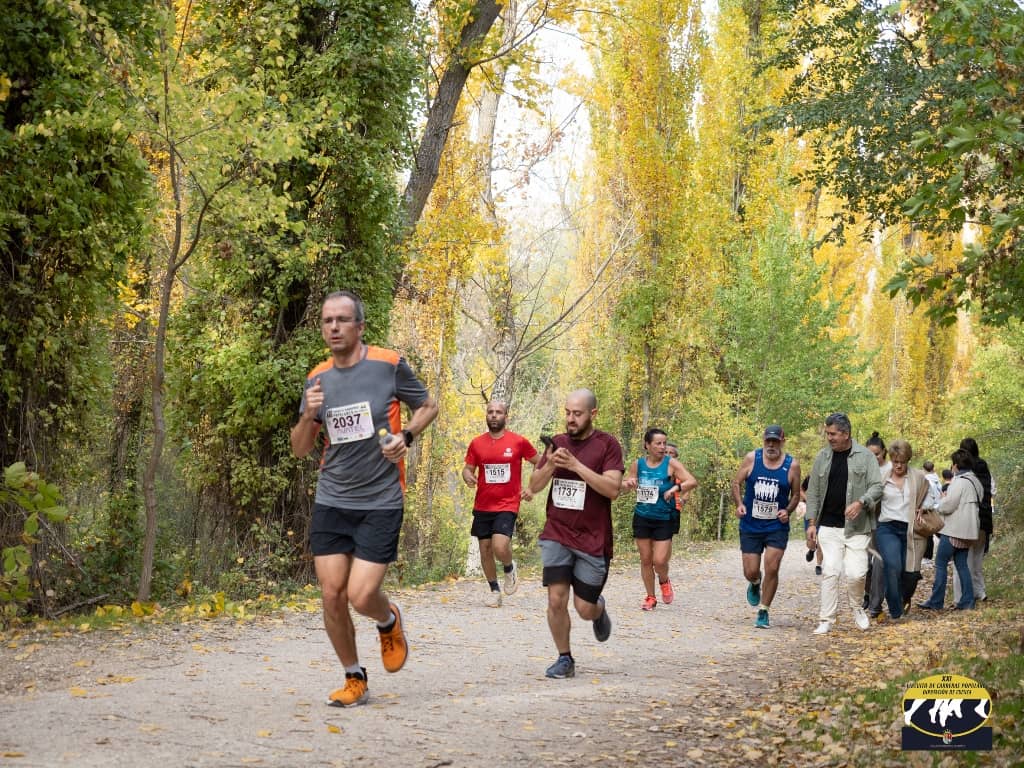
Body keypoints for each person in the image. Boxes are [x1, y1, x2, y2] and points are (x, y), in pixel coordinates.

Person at [290, 290, 439, 707]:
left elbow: (428, 405)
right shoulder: (317, 379)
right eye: (327, 321)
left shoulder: (388, 365)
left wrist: (407, 436)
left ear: (360, 326)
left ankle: (388, 619)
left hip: (380, 499)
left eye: (342, 319)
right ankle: (354, 676)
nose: (334, 327)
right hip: (333, 498)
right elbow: (300, 448)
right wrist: (307, 415)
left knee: (360, 595)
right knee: (331, 594)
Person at [528, 389, 624, 679]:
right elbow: (534, 486)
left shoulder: (608, 445)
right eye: (568, 412)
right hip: (557, 532)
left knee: (584, 608)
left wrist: (576, 465)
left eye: (577, 414)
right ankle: (565, 658)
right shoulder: (556, 443)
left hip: (593, 539)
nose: (571, 418)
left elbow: (612, 489)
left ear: (592, 414)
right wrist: (551, 464)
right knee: (556, 599)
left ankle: (598, 610)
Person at [805, 413, 883, 635]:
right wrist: (812, 523)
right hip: (829, 526)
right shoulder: (822, 457)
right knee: (830, 570)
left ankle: (857, 607)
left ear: (846, 434)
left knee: (857, 574)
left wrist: (861, 502)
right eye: (827, 434)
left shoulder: (866, 457)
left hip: (857, 527)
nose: (829, 438)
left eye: (833, 434)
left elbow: (877, 487)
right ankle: (826, 619)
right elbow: (813, 493)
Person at [462, 399, 539, 607]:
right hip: (483, 504)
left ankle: (509, 567)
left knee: (500, 545)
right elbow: (468, 468)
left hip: (507, 504)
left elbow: (539, 462)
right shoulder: (477, 443)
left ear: (506, 416)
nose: (494, 415)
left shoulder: (518, 442)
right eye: (490, 412)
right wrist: (467, 475)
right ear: (486, 416)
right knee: (485, 549)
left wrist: (531, 487)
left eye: (498, 412)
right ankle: (494, 591)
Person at [731, 425, 801, 629]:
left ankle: (764, 610)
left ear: (782, 442)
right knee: (751, 571)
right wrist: (739, 504)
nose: (771, 445)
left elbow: (796, 494)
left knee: (772, 567)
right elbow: (736, 483)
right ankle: (755, 582)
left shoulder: (792, 465)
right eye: (768, 441)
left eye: (775, 441)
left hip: (776, 526)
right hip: (751, 524)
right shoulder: (752, 458)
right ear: (763, 440)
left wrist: (788, 510)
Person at [621, 429, 698, 610]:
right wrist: (628, 484)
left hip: (664, 518)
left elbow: (691, 481)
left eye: (664, 443)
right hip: (642, 516)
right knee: (646, 560)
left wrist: (675, 489)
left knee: (660, 561)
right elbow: (624, 485)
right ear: (647, 445)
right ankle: (650, 597)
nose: (662, 447)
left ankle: (664, 580)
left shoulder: (671, 464)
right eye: (658, 443)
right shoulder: (638, 464)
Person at [869, 439, 930, 620]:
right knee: (892, 565)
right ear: (891, 459)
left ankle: (904, 598)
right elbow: (871, 497)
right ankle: (896, 611)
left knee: (910, 572)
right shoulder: (882, 477)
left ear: (908, 460)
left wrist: (923, 507)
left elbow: (930, 495)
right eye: (895, 461)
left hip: (911, 529)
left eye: (902, 462)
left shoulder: (917, 477)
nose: (898, 466)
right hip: (887, 527)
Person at [918, 449, 982, 611]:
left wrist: (939, 504)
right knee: (962, 565)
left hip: (954, 530)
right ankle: (968, 600)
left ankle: (936, 601)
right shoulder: (975, 480)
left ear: (955, 465)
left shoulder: (959, 482)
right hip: (969, 531)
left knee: (940, 563)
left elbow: (948, 505)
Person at [954, 437, 992, 604]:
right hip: (985, 519)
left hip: (969, 520)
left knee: (963, 560)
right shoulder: (984, 466)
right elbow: (990, 492)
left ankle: (963, 595)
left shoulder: (963, 472)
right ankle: (980, 591)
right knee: (977, 559)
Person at [799, 477, 823, 575]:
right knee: (810, 541)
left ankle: (819, 565)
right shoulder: (810, 477)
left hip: (823, 514)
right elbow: (800, 490)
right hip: (810, 512)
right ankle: (812, 549)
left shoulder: (830, 477)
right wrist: (807, 499)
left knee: (821, 541)